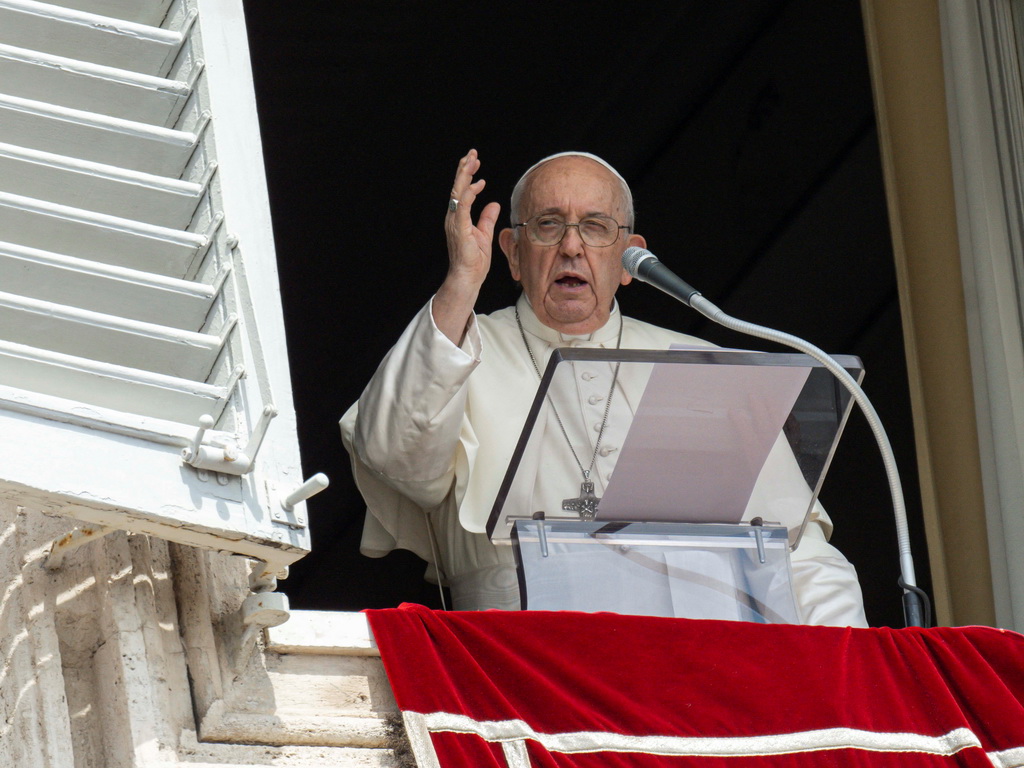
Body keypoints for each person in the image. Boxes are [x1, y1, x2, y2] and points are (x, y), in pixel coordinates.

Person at [340, 149, 868, 626]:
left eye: (595, 227)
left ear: (630, 259)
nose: (572, 246)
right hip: (517, 665)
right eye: (548, 225)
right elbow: (396, 457)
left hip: (694, 673)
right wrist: (460, 283)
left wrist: (850, 676)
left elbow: (799, 558)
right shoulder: (455, 347)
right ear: (513, 252)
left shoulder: (698, 367)